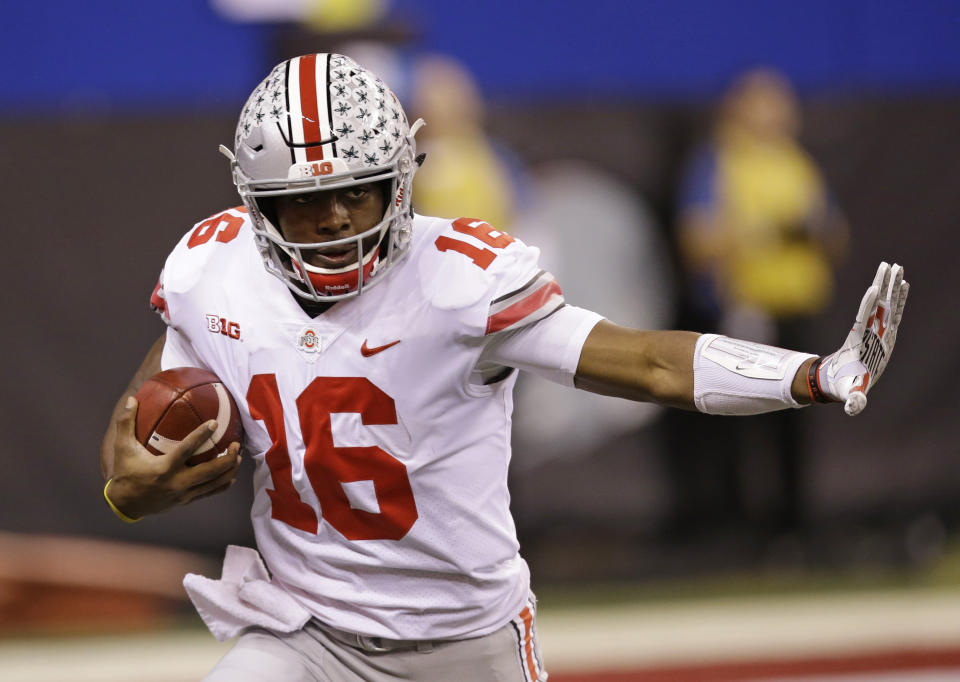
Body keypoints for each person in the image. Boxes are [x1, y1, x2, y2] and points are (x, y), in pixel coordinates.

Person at [99, 54, 908, 682]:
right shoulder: (214, 270)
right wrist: (127, 487)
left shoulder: (460, 280)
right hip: (304, 632)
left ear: (402, 182)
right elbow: (138, 424)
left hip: (463, 640)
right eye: (309, 202)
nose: (338, 220)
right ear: (259, 204)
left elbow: (649, 363)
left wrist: (812, 374)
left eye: (361, 194)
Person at [672, 68, 850, 538]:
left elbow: (834, 234)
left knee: (798, 421)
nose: (778, 112)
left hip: (796, 311)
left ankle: (794, 525)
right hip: (743, 311)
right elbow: (695, 239)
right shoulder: (718, 162)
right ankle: (737, 526)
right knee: (737, 422)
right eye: (765, 102)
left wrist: (803, 231)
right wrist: (759, 234)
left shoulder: (796, 163)